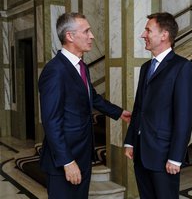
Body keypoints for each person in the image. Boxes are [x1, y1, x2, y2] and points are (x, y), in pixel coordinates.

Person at [38, 12, 131, 199]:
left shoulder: (81, 66)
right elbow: (51, 122)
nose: (92, 36)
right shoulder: (55, 71)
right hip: (65, 159)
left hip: (82, 154)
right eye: (86, 31)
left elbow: (92, 97)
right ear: (70, 36)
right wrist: (67, 161)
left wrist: (120, 113)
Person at [124, 12, 192, 199]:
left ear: (164, 35)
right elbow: (139, 107)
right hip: (141, 153)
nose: (143, 35)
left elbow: (184, 117)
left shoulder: (182, 67)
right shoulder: (145, 68)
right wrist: (130, 140)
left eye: (148, 30)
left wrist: (176, 157)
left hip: (164, 155)